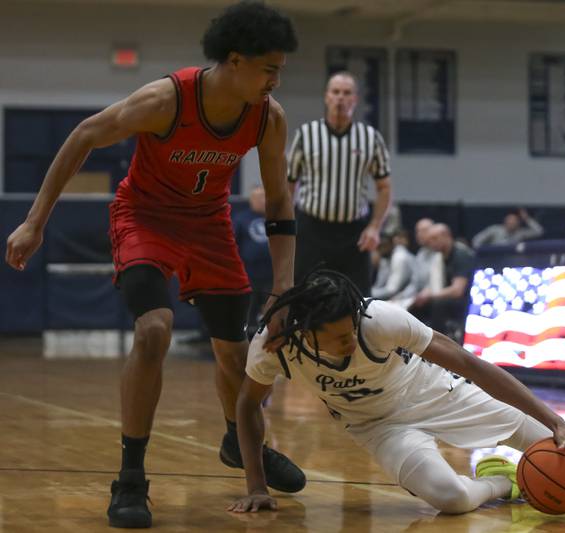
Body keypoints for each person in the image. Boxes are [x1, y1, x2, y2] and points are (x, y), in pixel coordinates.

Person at [5, 2, 305, 528]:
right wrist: (34, 221)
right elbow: (83, 136)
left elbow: (279, 202)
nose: (276, 81)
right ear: (235, 61)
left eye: (280, 70)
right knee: (153, 332)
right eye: (269, 69)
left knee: (236, 355)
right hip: (144, 218)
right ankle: (130, 478)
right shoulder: (167, 99)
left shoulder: (268, 118)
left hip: (208, 225)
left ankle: (240, 443)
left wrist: (283, 286)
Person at [227, 270, 565, 515]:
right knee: (451, 500)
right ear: (308, 333)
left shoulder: (379, 320)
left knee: (555, 436)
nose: (349, 340)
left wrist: (553, 420)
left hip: (433, 392)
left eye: (351, 329)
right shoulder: (275, 348)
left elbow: (471, 363)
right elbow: (248, 405)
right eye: (336, 338)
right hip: (376, 426)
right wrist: (255, 486)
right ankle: (504, 480)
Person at [288, 71, 393, 295]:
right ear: (327, 97)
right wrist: (287, 223)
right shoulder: (306, 134)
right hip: (311, 228)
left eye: (346, 93)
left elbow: (384, 188)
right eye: (335, 92)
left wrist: (375, 227)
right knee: (304, 296)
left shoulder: (370, 138)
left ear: (355, 99)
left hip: (353, 233)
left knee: (358, 299)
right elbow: (289, 184)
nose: (340, 98)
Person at [411, 223, 475, 337]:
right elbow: (434, 284)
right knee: (417, 305)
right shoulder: (440, 257)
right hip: (449, 298)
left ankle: (437, 341)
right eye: (430, 240)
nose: (432, 243)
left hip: (467, 301)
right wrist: (426, 293)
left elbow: (457, 291)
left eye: (435, 239)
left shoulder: (461, 255)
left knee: (438, 304)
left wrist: (431, 295)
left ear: (447, 236)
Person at [234, 186, 273, 338]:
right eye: (258, 197)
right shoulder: (241, 219)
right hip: (249, 273)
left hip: (271, 272)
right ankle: (247, 337)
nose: (262, 200)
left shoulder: (276, 217)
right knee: (249, 308)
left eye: (264, 196)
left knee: (271, 307)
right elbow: (234, 243)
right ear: (251, 200)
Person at [371, 230, 415, 301]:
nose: (382, 249)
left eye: (384, 246)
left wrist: (367, 293)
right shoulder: (385, 257)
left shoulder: (400, 257)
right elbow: (379, 284)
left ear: (392, 244)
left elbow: (392, 289)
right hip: (395, 296)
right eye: (380, 246)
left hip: (410, 295)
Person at [471, 208, 543, 249]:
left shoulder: (520, 233)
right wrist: (485, 252)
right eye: (509, 221)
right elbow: (476, 241)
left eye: (514, 222)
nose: (511, 224)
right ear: (505, 222)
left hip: (511, 260)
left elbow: (539, 231)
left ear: (518, 224)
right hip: (493, 259)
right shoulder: (495, 230)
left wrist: (526, 218)